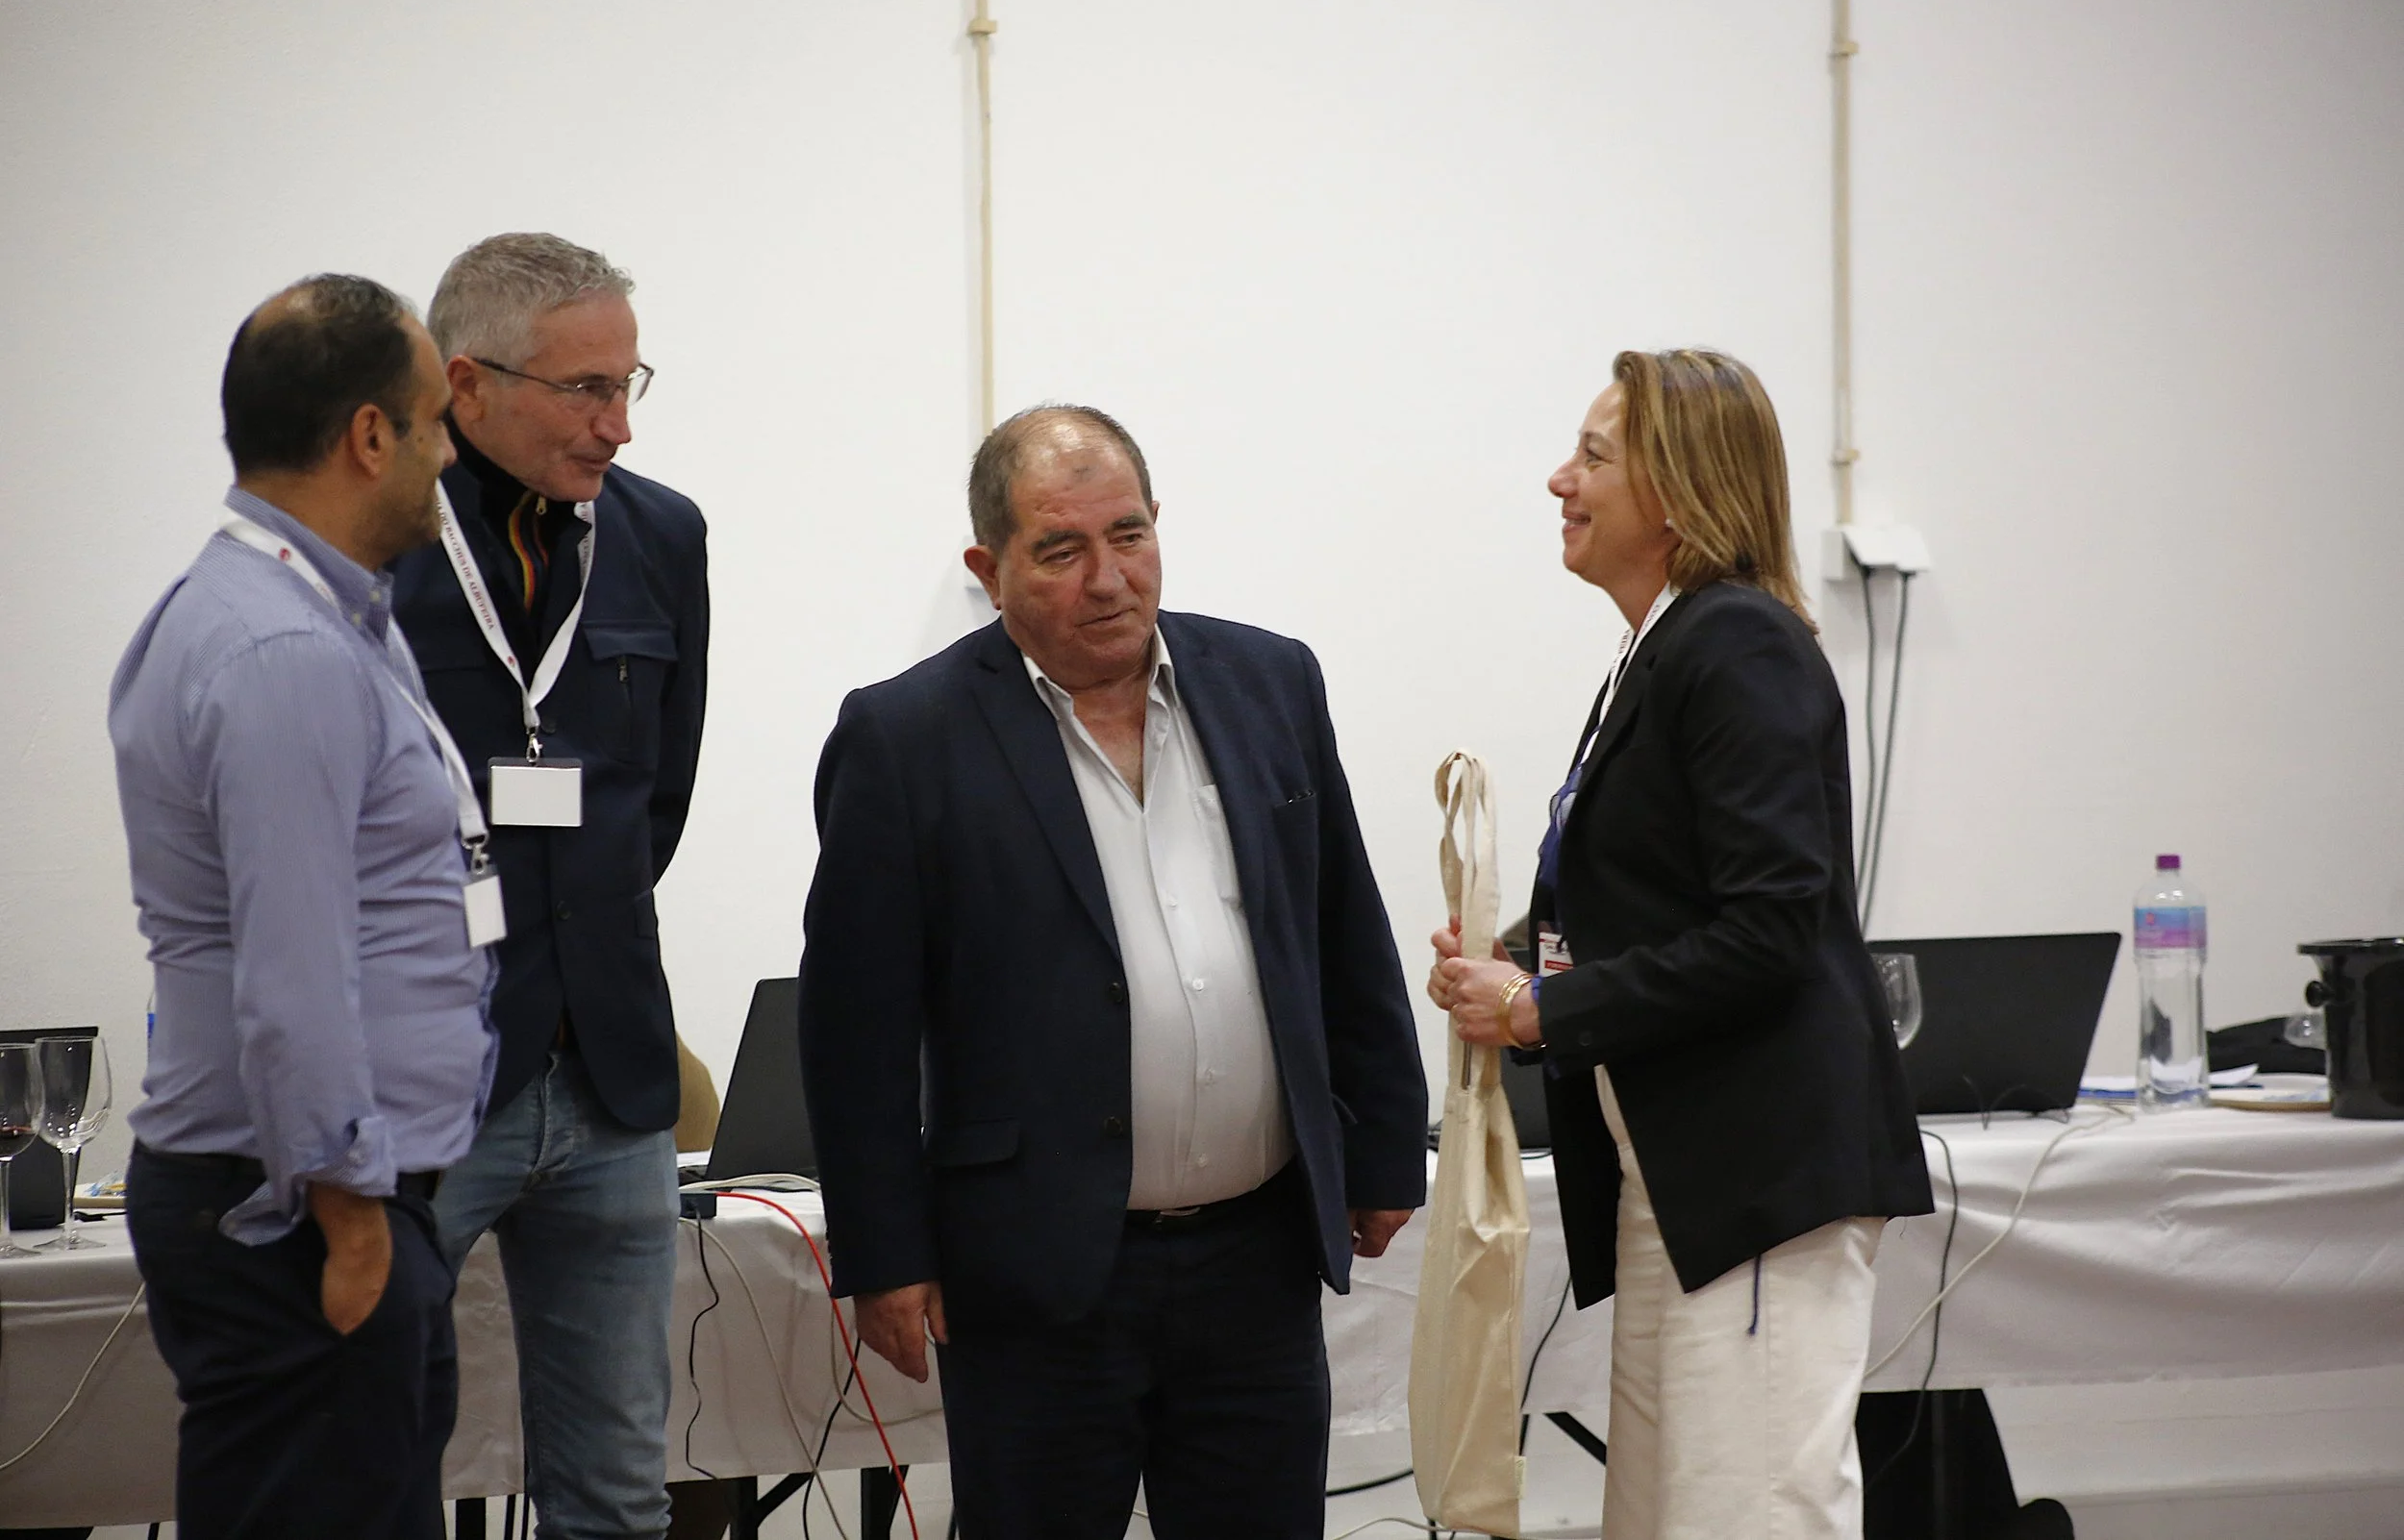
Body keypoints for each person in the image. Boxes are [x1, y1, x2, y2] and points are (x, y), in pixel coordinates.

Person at [799, 406, 1428, 1540]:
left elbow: (1341, 926)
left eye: (1128, 535)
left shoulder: (1270, 680)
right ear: (987, 569)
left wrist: (1382, 1142)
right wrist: (884, 1252)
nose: (1107, 578)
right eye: (1060, 549)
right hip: (1034, 1271)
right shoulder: (905, 737)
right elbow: (856, 1030)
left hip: (1256, 1260)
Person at [1427, 349, 1934, 1540]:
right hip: (1682, 1176)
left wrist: (1539, 1009)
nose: (1561, 478)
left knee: (1746, 1514)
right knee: (1661, 1515)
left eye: (1594, 456)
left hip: (1751, 1175)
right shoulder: (1665, 648)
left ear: (1681, 491)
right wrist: (1502, 953)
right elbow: (1646, 892)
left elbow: (1768, 927)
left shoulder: (1736, 644)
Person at [111, 274, 499, 1540]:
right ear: (369, 434)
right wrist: (349, 1217)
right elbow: (295, 968)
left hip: (319, 1194)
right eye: (438, 421)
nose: (450, 452)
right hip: (296, 1209)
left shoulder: (312, 612)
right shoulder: (278, 649)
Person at [390, 233, 708, 1539]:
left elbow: (661, 795)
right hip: (425, 1082)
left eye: (633, 383)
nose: (619, 425)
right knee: (376, 1459)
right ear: (467, 383)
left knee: (621, 1487)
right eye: (585, 390)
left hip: (614, 1076)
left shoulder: (662, 535)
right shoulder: (381, 545)